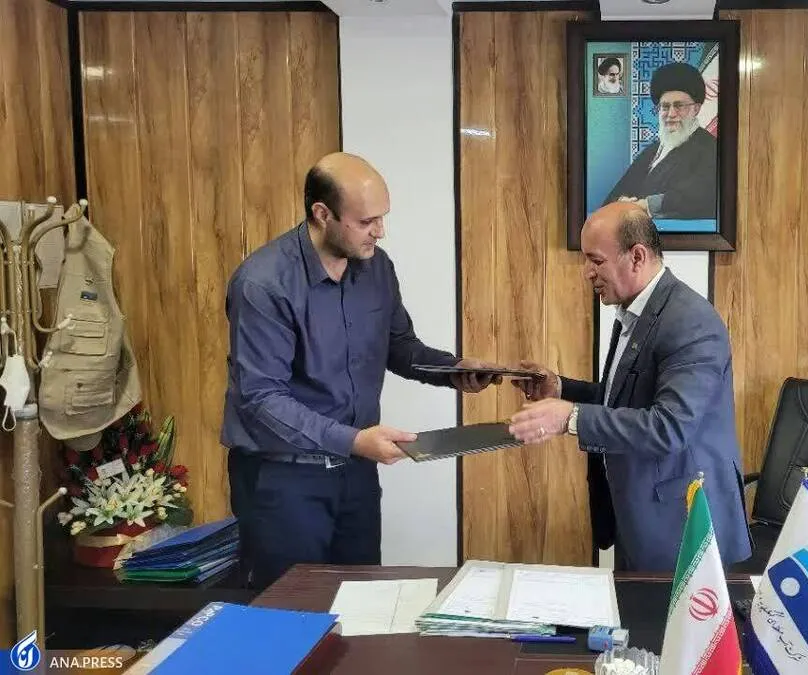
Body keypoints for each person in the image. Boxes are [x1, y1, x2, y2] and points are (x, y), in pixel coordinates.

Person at [221, 152, 500, 589]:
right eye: (367, 221)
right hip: (282, 479)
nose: (380, 231)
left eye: (382, 218)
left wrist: (453, 370)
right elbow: (262, 400)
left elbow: (400, 347)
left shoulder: (376, 268)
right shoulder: (263, 284)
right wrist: (353, 440)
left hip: (356, 473)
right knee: (292, 609)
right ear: (322, 214)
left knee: (360, 603)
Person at [507, 202, 751, 572]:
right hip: (641, 519)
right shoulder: (635, 312)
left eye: (596, 260)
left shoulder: (690, 321)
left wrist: (569, 418)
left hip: (684, 530)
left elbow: (669, 427)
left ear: (637, 256)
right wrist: (560, 389)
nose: (587, 272)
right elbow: (624, 400)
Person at [603, 61, 717, 221]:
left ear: (696, 109)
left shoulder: (710, 148)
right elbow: (617, 194)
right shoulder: (652, 151)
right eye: (665, 106)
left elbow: (700, 196)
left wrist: (646, 205)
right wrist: (622, 202)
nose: (671, 114)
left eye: (679, 106)